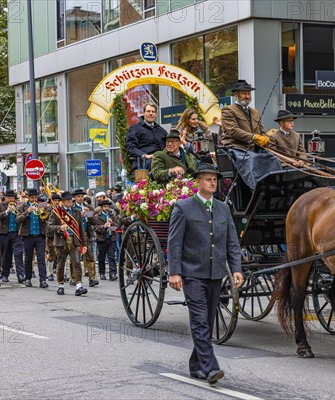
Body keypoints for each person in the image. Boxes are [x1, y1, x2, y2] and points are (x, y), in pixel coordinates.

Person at [167, 163, 243, 385]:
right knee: (200, 321)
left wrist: (236, 268)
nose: (213, 182)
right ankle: (211, 368)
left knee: (208, 322)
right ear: (198, 181)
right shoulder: (183, 207)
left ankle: (195, 365)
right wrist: (174, 273)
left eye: (215, 179)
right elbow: (174, 243)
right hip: (192, 274)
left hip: (215, 273)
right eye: (208, 179)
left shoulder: (223, 208)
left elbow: (232, 242)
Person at [48, 191, 88, 296]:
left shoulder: (76, 212)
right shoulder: (56, 212)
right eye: (67, 200)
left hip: (74, 241)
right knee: (60, 265)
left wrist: (83, 244)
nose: (69, 201)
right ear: (63, 201)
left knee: (77, 263)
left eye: (70, 200)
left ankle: (79, 285)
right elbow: (49, 227)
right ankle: (60, 285)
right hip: (61, 242)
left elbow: (80, 229)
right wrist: (60, 228)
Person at [220, 79, 269, 150]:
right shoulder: (228, 110)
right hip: (236, 148)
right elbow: (233, 130)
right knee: (252, 160)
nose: (247, 96)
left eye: (249, 93)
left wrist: (264, 138)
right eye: (244, 93)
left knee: (273, 159)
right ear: (236, 94)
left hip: (254, 148)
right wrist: (254, 137)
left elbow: (261, 130)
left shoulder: (255, 112)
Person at [16, 188, 49, 289]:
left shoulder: (42, 206)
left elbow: (48, 218)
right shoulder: (22, 207)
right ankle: (28, 279)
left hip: (40, 236)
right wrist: (27, 212)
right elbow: (18, 220)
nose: (34, 199)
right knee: (28, 258)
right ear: (28, 198)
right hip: (28, 236)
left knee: (41, 258)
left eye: (35, 197)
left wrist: (43, 212)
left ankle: (43, 280)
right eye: (32, 197)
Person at [126, 102, 168, 170]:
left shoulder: (161, 130)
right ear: (144, 113)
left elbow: (168, 146)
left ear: (155, 114)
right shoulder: (135, 128)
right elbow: (131, 148)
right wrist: (145, 155)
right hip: (144, 163)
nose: (151, 113)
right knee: (158, 165)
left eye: (153, 111)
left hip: (161, 159)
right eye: (148, 111)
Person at [0, 189, 25, 283]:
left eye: (12, 197)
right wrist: (7, 211)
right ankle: (5, 274)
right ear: (5, 198)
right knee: (5, 255)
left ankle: (20, 275)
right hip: (4, 233)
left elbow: (21, 218)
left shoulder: (19, 205)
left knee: (18, 254)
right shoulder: (0, 205)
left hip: (16, 233)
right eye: (9, 198)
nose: (11, 199)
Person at [73, 188, 98, 287]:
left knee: (91, 257)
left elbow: (95, 222)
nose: (80, 198)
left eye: (82, 196)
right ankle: (74, 278)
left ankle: (92, 278)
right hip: (76, 234)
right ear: (75, 198)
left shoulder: (88, 207)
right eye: (78, 197)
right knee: (75, 258)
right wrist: (80, 214)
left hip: (87, 234)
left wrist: (89, 214)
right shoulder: (72, 208)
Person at [91, 199, 119, 281]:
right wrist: (104, 226)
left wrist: (112, 223)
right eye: (104, 207)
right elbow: (95, 228)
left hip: (111, 238)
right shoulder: (97, 216)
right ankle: (102, 273)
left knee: (111, 257)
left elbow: (117, 226)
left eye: (107, 206)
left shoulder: (112, 215)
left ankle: (113, 273)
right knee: (101, 258)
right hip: (101, 239)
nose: (106, 208)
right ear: (101, 207)